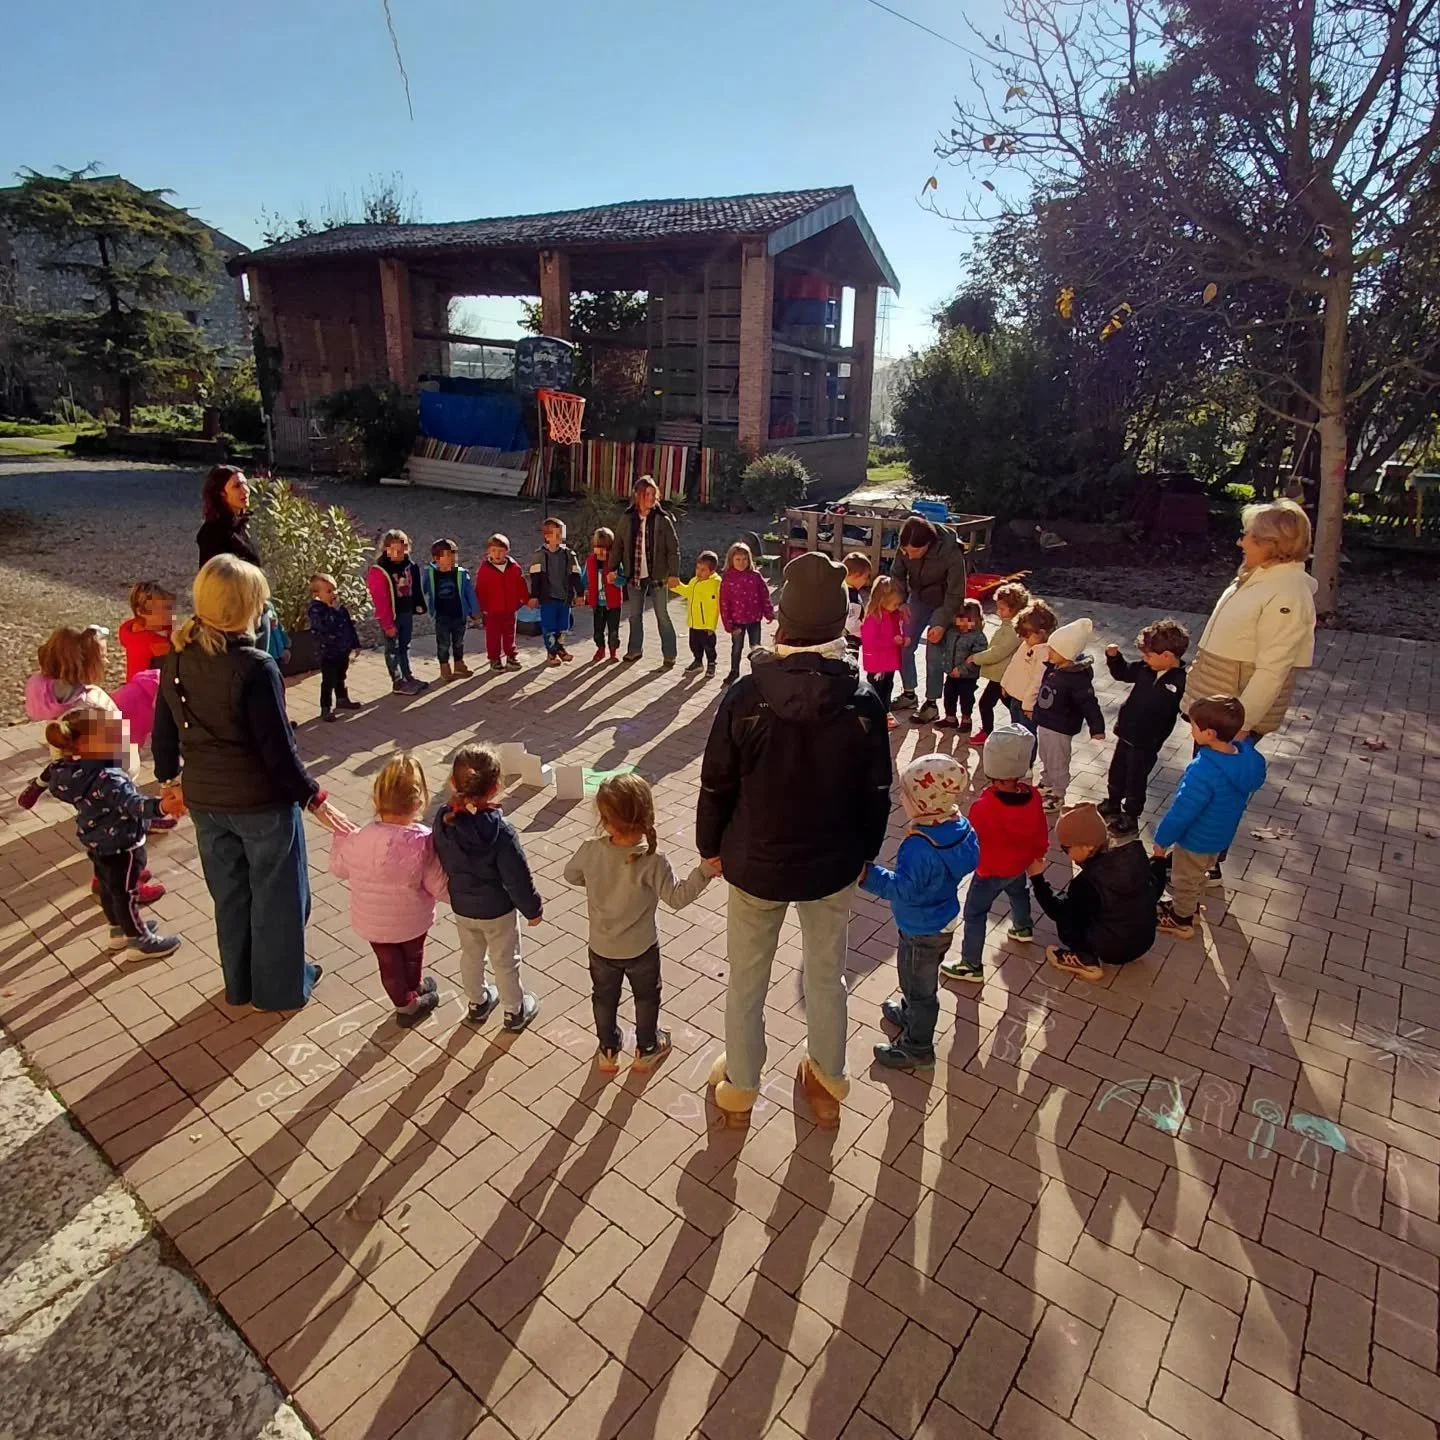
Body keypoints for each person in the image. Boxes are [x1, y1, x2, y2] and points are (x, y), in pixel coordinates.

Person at [698, 551, 893, 1128]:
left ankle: (740, 1085)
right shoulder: (862, 700)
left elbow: (716, 783)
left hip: (755, 863)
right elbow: (876, 790)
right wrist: (865, 852)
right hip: (832, 864)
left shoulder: (745, 695)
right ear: (839, 624)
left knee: (746, 979)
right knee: (826, 976)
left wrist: (711, 847)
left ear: (782, 618)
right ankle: (828, 1079)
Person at [152, 555, 355, 1011]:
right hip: (260, 802)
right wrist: (315, 798)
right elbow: (277, 750)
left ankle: (240, 983)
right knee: (278, 897)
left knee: (230, 895)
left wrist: (168, 779)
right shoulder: (256, 666)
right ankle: (280, 987)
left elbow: (162, 726)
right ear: (245, 606)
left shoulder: (179, 654)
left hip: (206, 798)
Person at [1183, 499, 1317, 882]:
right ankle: (1193, 861)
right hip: (1216, 710)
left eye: (1249, 537)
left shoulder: (1287, 593)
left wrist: (1239, 723)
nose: (1241, 542)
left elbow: (1273, 669)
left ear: (1272, 545)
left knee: (1215, 792)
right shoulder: (1258, 575)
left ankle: (1202, 868)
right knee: (1201, 785)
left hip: (1230, 718)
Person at [563, 774, 716, 1072]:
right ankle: (646, 1047)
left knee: (604, 998)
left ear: (605, 820)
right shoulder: (653, 860)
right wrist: (704, 871)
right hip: (641, 948)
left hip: (601, 947)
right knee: (646, 997)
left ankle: (607, 1049)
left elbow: (570, 875)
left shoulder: (590, 849)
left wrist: (596, 882)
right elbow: (678, 897)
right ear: (646, 815)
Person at [862, 753, 978, 1070]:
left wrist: (867, 876)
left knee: (919, 987)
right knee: (920, 980)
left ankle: (918, 1046)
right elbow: (973, 857)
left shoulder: (919, 846)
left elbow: (904, 889)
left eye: (907, 793)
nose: (901, 797)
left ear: (924, 803)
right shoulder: (960, 826)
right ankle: (912, 1015)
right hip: (943, 922)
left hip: (920, 929)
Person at [44, 705, 186, 958]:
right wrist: (163, 806)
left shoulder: (69, 772)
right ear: (86, 744)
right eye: (110, 734)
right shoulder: (108, 777)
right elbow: (134, 805)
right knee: (126, 893)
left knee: (108, 889)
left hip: (95, 841)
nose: (118, 737)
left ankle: (118, 930)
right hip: (123, 843)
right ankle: (139, 941)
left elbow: (51, 784)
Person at [20, 626, 167, 864]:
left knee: (95, 811)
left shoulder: (50, 694)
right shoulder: (92, 700)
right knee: (116, 821)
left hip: (79, 766)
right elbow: (114, 733)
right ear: (87, 663)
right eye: (104, 655)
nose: (108, 659)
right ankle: (121, 876)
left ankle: (135, 826)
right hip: (110, 765)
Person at [330, 753, 447, 1027]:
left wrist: (339, 838)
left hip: (373, 922)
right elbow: (438, 885)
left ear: (377, 799)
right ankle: (409, 1000)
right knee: (412, 956)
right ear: (419, 802)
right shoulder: (422, 842)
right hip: (412, 920)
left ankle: (405, 997)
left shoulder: (357, 837)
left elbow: (338, 868)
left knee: (388, 963)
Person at [431, 743, 542, 1032]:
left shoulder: (444, 819)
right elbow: (517, 876)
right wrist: (532, 909)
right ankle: (514, 1010)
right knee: (505, 961)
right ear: (495, 786)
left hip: (463, 906)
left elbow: (439, 853)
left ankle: (477, 1002)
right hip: (498, 910)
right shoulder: (501, 831)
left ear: (453, 782)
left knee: (471, 956)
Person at [1153, 695, 1267, 938]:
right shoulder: (1248, 760)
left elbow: (1183, 810)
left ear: (1209, 734)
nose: (1191, 730)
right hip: (1220, 835)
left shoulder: (1203, 770)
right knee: (1200, 873)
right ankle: (1189, 906)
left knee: (1184, 878)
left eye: (1194, 726)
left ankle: (1181, 918)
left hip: (1196, 838)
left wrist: (1162, 840)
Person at [942, 725, 1048, 982]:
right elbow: (1040, 830)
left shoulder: (984, 806)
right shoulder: (1033, 796)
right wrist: (1037, 854)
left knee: (975, 913)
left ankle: (971, 963)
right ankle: (1023, 926)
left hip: (989, 870)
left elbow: (972, 840)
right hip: (1019, 864)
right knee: (1018, 892)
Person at [1031, 803, 1161, 981]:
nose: (1066, 855)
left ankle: (1085, 958)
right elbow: (1156, 888)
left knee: (1068, 917)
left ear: (1087, 847)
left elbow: (1058, 912)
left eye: (1065, 848)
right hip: (1144, 941)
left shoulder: (1088, 882)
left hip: (1113, 951)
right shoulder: (1135, 854)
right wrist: (1159, 860)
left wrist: (1037, 879)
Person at [1101, 619, 1189, 835]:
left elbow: (1188, 708)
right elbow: (1122, 673)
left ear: (1168, 656)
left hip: (1147, 742)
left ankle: (1130, 815)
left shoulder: (1181, 681)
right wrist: (1114, 659)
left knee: (1136, 780)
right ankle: (1112, 802)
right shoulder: (1144, 669)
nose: (1144, 659)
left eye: (1149, 655)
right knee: (1117, 772)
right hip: (1126, 732)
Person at [886, 514, 969, 723]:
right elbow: (897, 574)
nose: (910, 556)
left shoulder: (952, 552)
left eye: (915, 551)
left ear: (929, 544)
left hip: (944, 603)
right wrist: (901, 601)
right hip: (917, 598)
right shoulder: (906, 546)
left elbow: (956, 592)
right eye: (906, 551)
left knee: (934, 652)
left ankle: (931, 703)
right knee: (904, 643)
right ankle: (909, 693)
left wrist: (941, 622)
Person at [1032, 618, 1105, 810]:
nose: (1049, 653)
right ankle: (1046, 782)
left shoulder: (1077, 679)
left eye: (1053, 650)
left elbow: (1089, 704)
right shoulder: (1055, 668)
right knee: (1046, 755)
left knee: (1058, 760)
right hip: (1046, 722)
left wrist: (1097, 727)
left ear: (1067, 653)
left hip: (1061, 726)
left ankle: (1058, 793)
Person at [614, 476, 680, 666]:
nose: (651, 498)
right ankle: (634, 650)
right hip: (634, 575)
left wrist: (674, 573)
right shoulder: (627, 518)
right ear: (637, 495)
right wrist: (611, 568)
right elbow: (618, 545)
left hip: (658, 575)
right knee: (634, 615)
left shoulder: (662, 520)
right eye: (647, 494)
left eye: (653, 494)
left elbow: (673, 548)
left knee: (662, 615)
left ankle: (670, 654)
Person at [967, 582, 1030, 747]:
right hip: (1001, 675)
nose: (998, 612)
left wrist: (976, 658)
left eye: (1002, 609)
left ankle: (990, 732)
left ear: (1014, 609)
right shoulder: (1009, 625)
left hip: (1002, 675)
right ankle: (1019, 729)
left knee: (987, 703)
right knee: (1009, 703)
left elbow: (998, 652)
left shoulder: (1012, 630)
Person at [367, 529, 428, 695]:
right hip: (391, 616)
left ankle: (407, 675)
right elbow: (380, 600)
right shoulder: (379, 571)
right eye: (393, 550)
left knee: (404, 646)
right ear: (385, 549)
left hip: (405, 612)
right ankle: (397, 680)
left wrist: (418, 605)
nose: (397, 554)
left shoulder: (409, 566)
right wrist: (387, 623)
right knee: (392, 648)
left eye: (401, 551)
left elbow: (415, 587)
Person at [306, 573, 363, 722]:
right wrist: (332, 610)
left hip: (342, 649)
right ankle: (326, 707)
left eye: (335, 590)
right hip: (327, 652)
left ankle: (342, 698)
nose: (334, 594)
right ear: (316, 594)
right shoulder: (316, 610)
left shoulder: (340, 609)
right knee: (328, 679)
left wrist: (355, 644)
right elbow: (323, 626)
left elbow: (349, 626)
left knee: (341, 676)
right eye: (329, 591)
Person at [421, 538, 480, 681]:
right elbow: (422, 590)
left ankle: (459, 665)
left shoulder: (461, 573)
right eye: (447, 555)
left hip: (459, 615)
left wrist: (475, 611)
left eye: (453, 555)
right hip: (441, 615)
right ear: (436, 558)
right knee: (443, 643)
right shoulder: (430, 574)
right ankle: (444, 667)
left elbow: (469, 593)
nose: (451, 559)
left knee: (459, 641)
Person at [529, 517, 583, 666]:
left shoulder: (569, 555)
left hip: (564, 597)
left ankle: (560, 648)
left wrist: (579, 593)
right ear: (547, 537)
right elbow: (535, 577)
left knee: (563, 626)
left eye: (562, 534)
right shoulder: (539, 556)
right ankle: (551, 652)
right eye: (557, 534)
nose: (561, 537)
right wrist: (534, 596)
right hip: (548, 597)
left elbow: (575, 575)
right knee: (549, 627)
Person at [719, 541, 773, 685]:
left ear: (749, 559)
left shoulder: (755, 576)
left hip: (754, 619)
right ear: (731, 560)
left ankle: (757, 673)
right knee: (736, 649)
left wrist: (769, 613)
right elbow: (724, 604)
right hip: (737, 622)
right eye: (738, 559)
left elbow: (764, 595)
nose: (741, 563)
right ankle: (734, 672)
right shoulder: (727, 579)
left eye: (744, 559)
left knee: (756, 648)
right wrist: (728, 625)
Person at [1001, 598, 1058, 732]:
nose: (1023, 638)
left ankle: (1026, 754)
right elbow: (1014, 664)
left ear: (1041, 633)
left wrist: (1028, 705)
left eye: (1026, 634)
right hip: (1015, 697)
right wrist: (1005, 683)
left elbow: (1037, 682)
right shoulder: (1027, 644)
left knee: (1026, 735)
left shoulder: (1044, 653)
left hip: (1027, 704)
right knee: (1015, 731)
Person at [475, 532, 530, 671]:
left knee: (510, 633)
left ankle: (511, 655)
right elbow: (480, 590)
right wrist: (481, 608)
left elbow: (521, 584)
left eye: (501, 551)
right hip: (492, 610)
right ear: (488, 551)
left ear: (507, 551)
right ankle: (494, 658)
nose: (497, 554)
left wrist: (525, 599)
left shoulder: (514, 567)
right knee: (493, 635)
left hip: (510, 608)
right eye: (494, 550)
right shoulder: (484, 570)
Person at [936, 599, 990, 732]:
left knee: (966, 698)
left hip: (968, 676)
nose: (964, 624)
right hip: (951, 673)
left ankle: (966, 718)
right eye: (961, 619)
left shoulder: (978, 637)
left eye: (969, 620)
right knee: (949, 695)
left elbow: (976, 657)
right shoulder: (952, 632)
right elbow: (945, 648)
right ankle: (950, 718)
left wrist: (961, 669)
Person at [860, 574, 906, 728]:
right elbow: (869, 641)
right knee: (876, 690)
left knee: (887, 687)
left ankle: (884, 712)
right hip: (878, 662)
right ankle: (875, 714)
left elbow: (899, 629)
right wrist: (892, 641)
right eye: (894, 604)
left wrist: (903, 638)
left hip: (889, 660)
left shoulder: (893, 614)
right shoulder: (873, 618)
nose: (896, 607)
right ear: (883, 601)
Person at [196, 465, 262, 568]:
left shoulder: (239, 526)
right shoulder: (213, 533)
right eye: (237, 486)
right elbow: (213, 578)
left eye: (245, 484)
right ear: (221, 493)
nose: (245, 491)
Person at [670, 549, 722, 677]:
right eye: (698, 568)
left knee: (709, 646)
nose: (699, 572)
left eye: (703, 569)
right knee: (694, 645)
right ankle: (698, 662)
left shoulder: (715, 584)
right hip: (694, 622)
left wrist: (711, 626)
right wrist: (675, 586)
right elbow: (688, 592)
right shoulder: (694, 581)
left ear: (712, 571)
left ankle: (711, 664)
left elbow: (715, 607)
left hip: (706, 625)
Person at [584, 526, 626, 662]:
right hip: (598, 603)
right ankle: (600, 649)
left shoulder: (615, 563)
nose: (602, 551)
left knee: (613, 631)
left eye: (606, 548)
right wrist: (581, 592)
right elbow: (584, 579)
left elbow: (623, 580)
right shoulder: (590, 562)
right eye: (599, 547)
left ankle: (613, 652)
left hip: (613, 603)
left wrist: (616, 580)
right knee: (598, 630)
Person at [118, 582, 175, 680]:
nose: (167, 614)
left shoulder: (133, 631)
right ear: (140, 611)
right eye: (160, 610)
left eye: (168, 608)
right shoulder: (150, 642)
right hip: (149, 692)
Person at [843, 552, 872, 652]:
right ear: (856, 575)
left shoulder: (837, 588)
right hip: (850, 640)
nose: (866, 582)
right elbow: (851, 623)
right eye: (865, 577)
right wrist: (864, 631)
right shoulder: (852, 597)